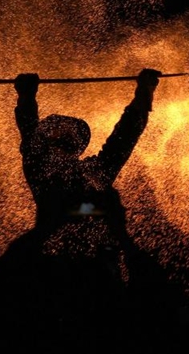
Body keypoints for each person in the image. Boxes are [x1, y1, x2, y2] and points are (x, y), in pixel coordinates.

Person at [12, 68, 161, 245]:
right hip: (60, 257)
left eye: (60, 126)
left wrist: (144, 94)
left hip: (84, 257)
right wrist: (26, 97)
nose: (57, 127)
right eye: (55, 126)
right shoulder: (42, 168)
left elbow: (124, 137)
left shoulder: (83, 171)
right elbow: (123, 139)